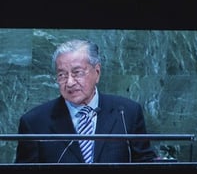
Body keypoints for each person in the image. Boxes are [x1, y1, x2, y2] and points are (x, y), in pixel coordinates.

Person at [16, 38, 156, 164]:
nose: (70, 82)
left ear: (97, 72)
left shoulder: (126, 113)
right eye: (62, 75)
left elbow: (145, 165)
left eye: (77, 73)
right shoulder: (34, 123)